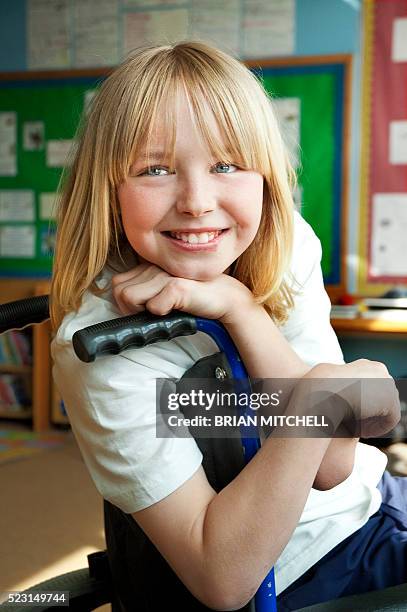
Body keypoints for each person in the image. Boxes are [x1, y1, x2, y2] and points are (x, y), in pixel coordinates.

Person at [50, 41, 404, 611]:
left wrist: (242, 309)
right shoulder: (100, 350)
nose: (197, 202)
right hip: (296, 572)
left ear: (265, 173)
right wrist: (319, 395)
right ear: (107, 189)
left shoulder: (285, 248)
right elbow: (223, 577)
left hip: (371, 506)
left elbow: (336, 464)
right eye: (156, 169)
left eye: (226, 165)